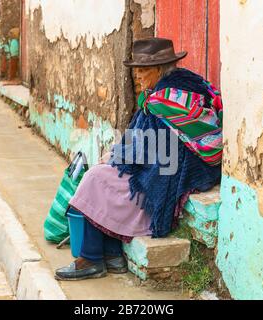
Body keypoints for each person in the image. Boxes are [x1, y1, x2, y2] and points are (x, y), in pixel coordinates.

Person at [55, 38, 223, 281]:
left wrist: (114, 157)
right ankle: (112, 255)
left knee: (96, 178)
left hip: (174, 172)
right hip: (192, 164)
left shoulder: (162, 101)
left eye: (142, 71)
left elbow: (144, 152)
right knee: (110, 173)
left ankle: (90, 259)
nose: (138, 77)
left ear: (158, 69)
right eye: (136, 71)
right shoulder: (186, 84)